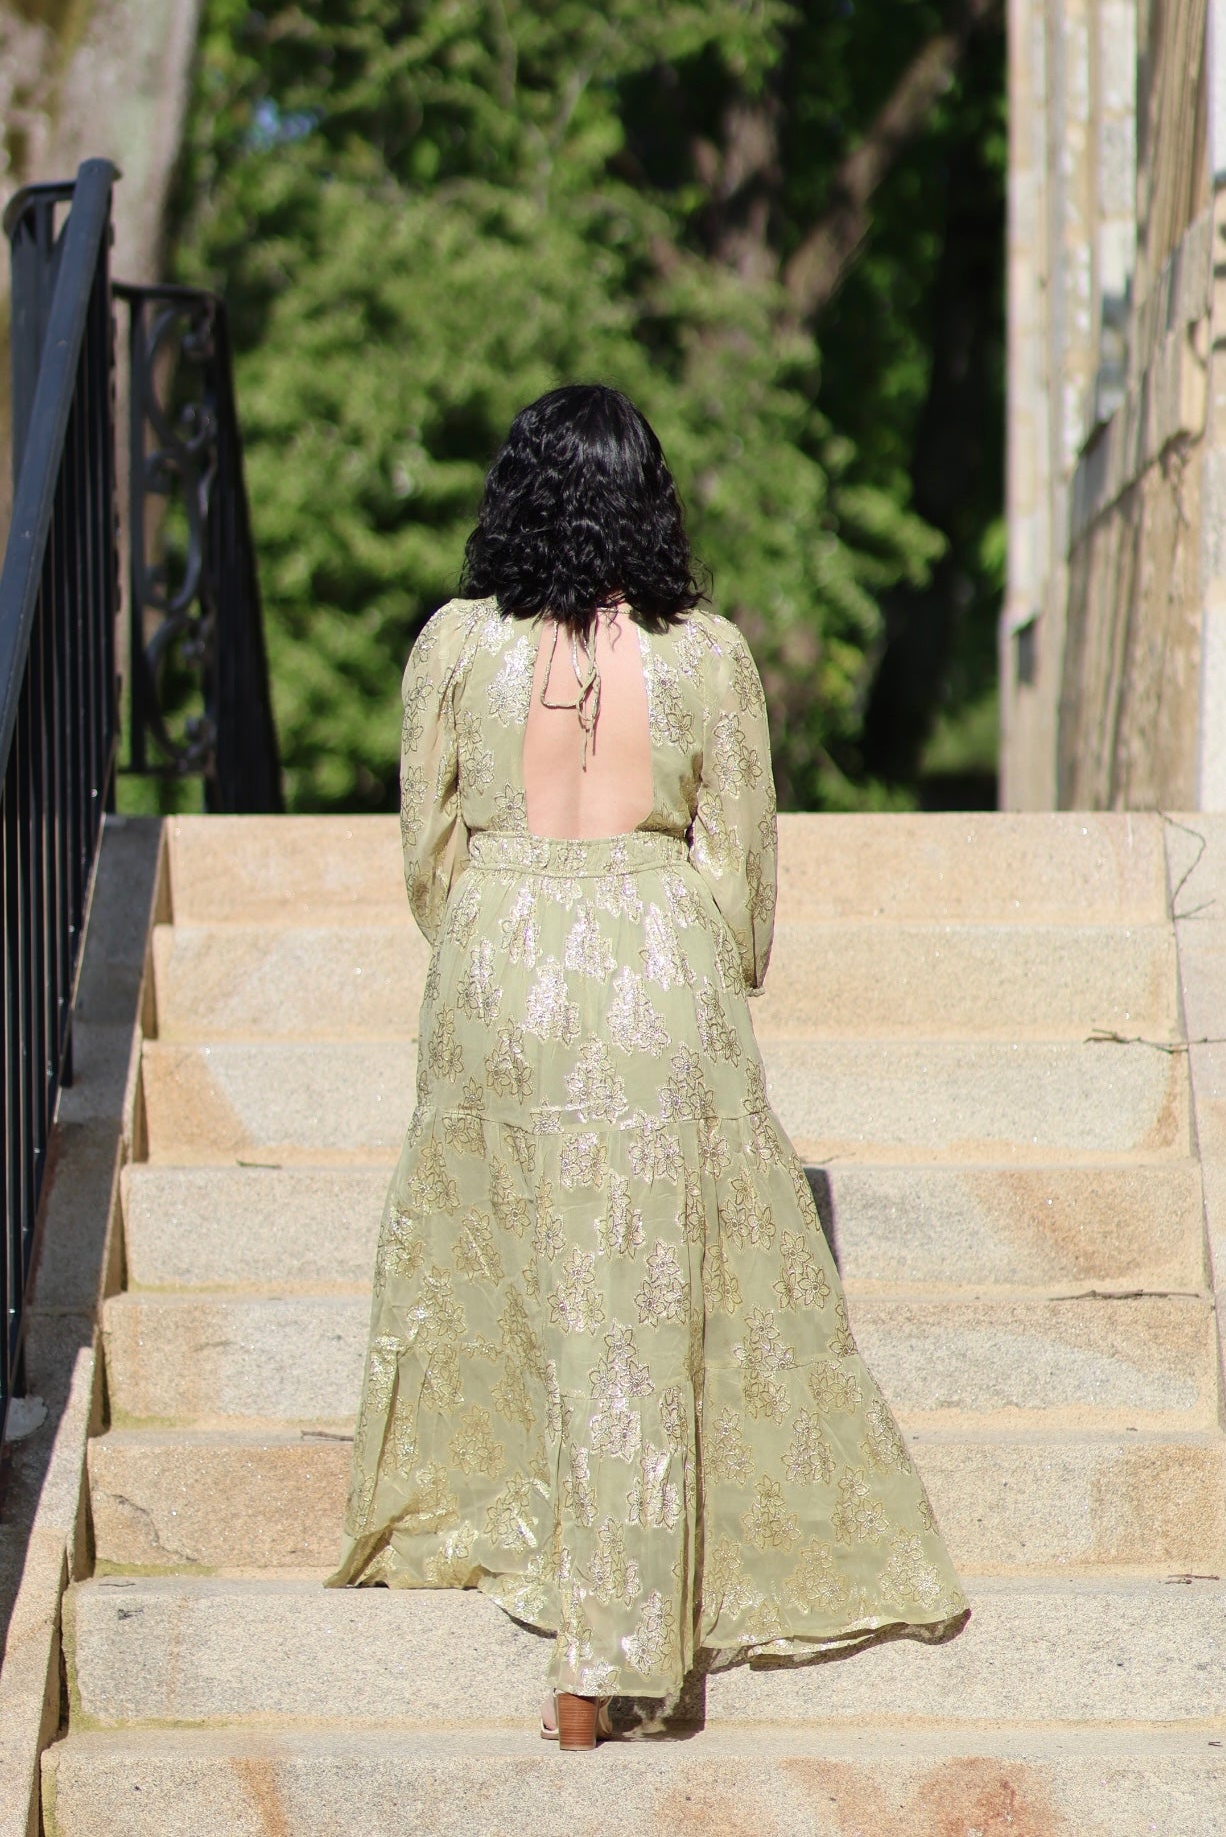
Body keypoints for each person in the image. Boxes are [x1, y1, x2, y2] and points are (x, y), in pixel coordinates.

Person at [328, 383, 969, 1749]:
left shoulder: (454, 645)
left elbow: (426, 853)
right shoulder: (708, 658)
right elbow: (742, 871)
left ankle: (572, 1607)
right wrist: (708, 975)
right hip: (654, 970)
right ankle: (618, 1646)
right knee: (642, 1314)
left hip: (502, 962)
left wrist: (493, 946)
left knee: (532, 1300)